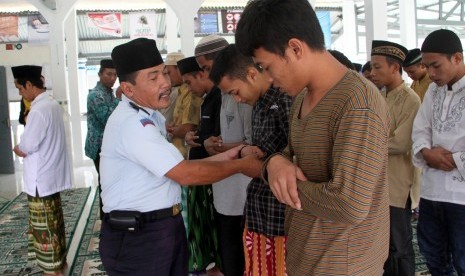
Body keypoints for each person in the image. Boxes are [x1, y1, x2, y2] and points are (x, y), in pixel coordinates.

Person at [235, 0, 391, 275]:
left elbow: (349, 204)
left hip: (344, 266)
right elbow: (290, 152)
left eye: (267, 67)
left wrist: (280, 181)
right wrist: (275, 163)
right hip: (306, 258)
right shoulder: (301, 98)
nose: (268, 79)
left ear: (295, 48)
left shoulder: (358, 102)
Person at [98, 38, 262, 276]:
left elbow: (180, 166)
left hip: (161, 228)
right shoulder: (131, 124)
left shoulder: (150, 115)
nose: (165, 83)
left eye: (164, 73)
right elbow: (185, 174)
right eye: (153, 78)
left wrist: (230, 155)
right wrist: (242, 165)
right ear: (129, 89)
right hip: (138, 238)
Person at [209, 44, 293, 276]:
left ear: (252, 74)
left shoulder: (285, 101)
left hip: (280, 220)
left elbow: (296, 160)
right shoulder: (258, 104)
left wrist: (252, 157)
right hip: (259, 216)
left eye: (235, 92)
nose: (236, 100)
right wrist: (248, 151)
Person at [195, 35, 253, 276]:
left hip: (243, 191)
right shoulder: (225, 94)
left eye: (208, 68)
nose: (207, 75)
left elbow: (253, 144)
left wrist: (223, 148)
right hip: (225, 189)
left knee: (239, 255)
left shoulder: (244, 94)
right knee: (228, 249)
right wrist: (212, 144)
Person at [412, 29, 465, 276]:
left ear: (457, 58)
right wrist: (426, 151)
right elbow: (420, 128)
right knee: (433, 255)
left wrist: (453, 159)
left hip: (461, 197)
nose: (431, 74)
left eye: (436, 66)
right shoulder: (434, 91)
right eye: (426, 66)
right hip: (432, 192)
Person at [12, 65, 71, 276]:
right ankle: (59, 264)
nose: (21, 93)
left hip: (40, 179)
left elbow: (28, 145)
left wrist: (19, 149)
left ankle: (52, 270)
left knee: (45, 228)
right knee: (54, 223)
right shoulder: (51, 104)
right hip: (49, 176)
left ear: (29, 84)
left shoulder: (38, 109)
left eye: (20, 88)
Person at [370, 40, 421, 276]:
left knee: (399, 245)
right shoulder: (376, 97)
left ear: (394, 68)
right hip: (375, 184)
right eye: (371, 67)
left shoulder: (410, 100)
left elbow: (401, 143)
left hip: (397, 186)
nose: (372, 73)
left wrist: (365, 145)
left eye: (377, 67)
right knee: (380, 246)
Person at [177, 55, 223, 275]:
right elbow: (205, 134)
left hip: (213, 177)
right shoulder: (208, 98)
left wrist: (204, 141)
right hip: (201, 175)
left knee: (216, 228)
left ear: (202, 74)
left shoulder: (219, 98)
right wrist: (192, 137)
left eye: (189, 82)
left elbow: (218, 139)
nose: (189, 87)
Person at [85, 59, 118, 220]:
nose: (112, 78)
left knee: (110, 181)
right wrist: (120, 99)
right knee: (105, 183)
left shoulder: (109, 93)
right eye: (109, 74)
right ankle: (105, 218)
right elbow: (108, 117)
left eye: (115, 75)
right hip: (99, 146)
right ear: (100, 74)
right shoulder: (95, 95)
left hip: (109, 146)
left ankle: (111, 214)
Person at [160, 52, 186, 123]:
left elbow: (165, 120)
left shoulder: (178, 92)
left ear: (179, 69)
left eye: (168, 73)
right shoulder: (174, 90)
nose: (167, 78)